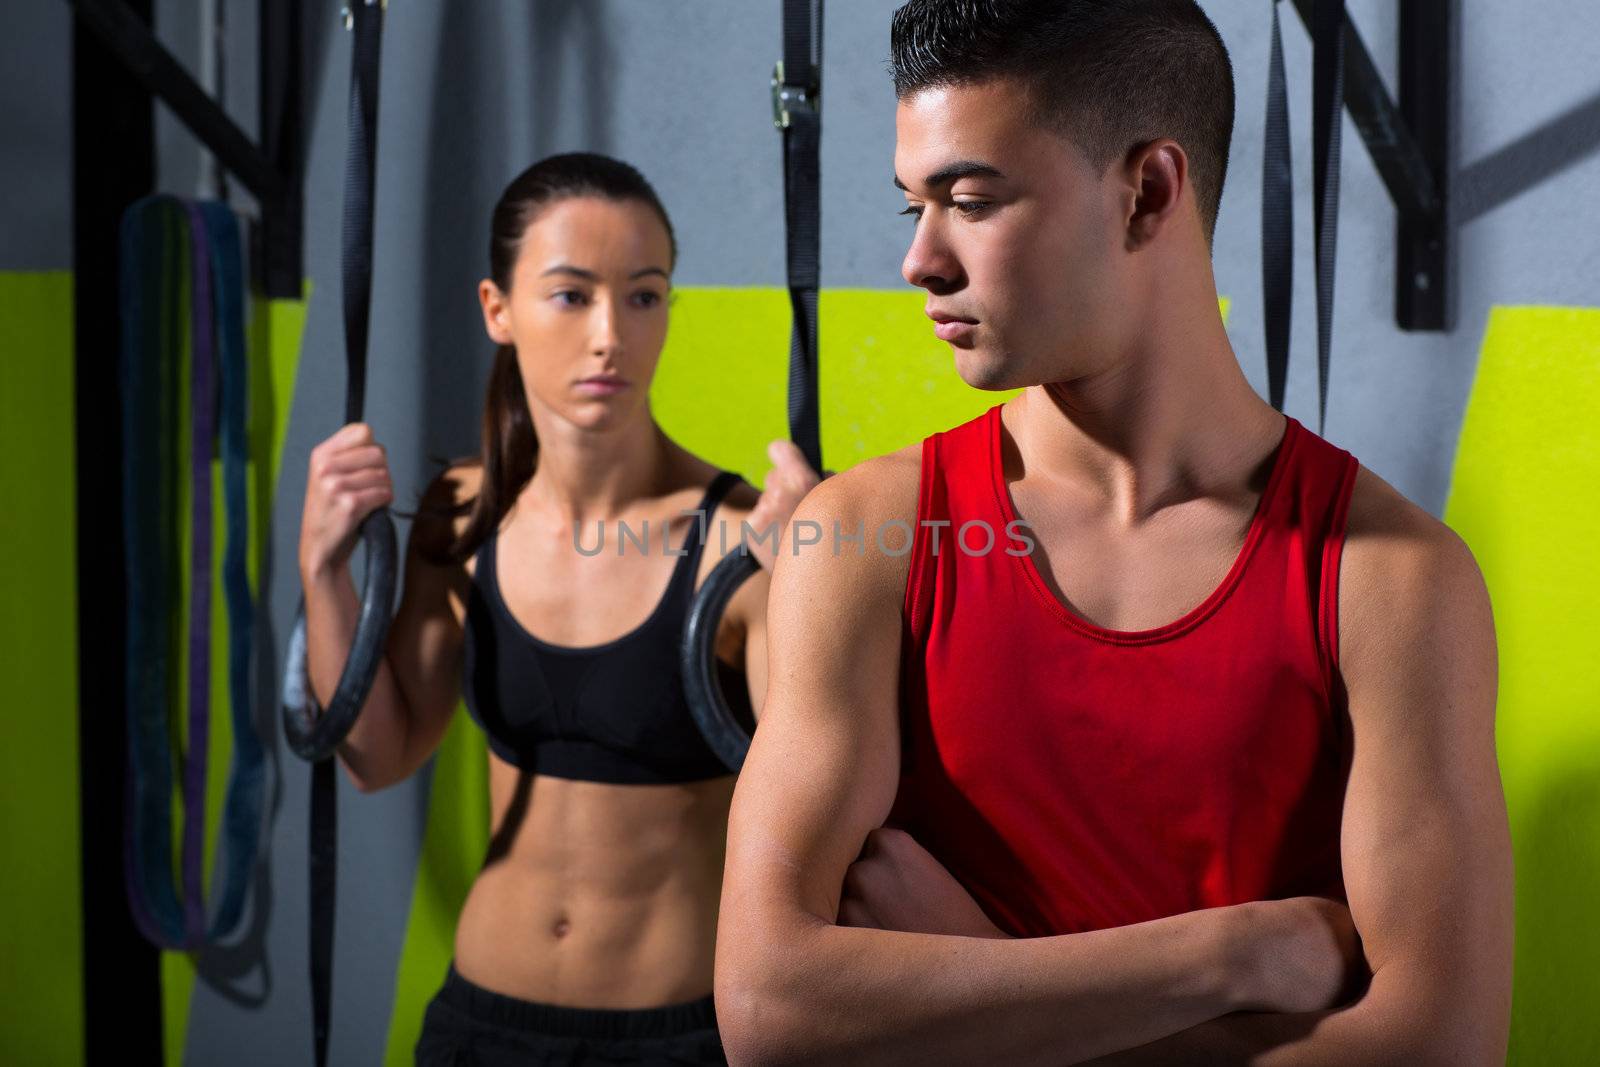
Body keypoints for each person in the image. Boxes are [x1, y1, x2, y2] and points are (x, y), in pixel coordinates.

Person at [715, 2, 1513, 1064]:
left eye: (971, 200)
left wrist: (977, 972)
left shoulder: (1391, 580)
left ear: (1146, 193)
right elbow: (771, 1012)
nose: (918, 259)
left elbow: (1440, 1047)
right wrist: (1227, 958)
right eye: (913, 204)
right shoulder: (868, 537)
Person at [297, 153, 817, 1065]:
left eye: (645, 295)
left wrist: (811, 587)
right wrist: (321, 568)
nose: (612, 333)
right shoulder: (464, 514)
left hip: (682, 1033)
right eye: (572, 295)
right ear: (498, 309)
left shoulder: (742, 540)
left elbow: (813, 806)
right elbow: (374, 754)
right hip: (482, 1024)